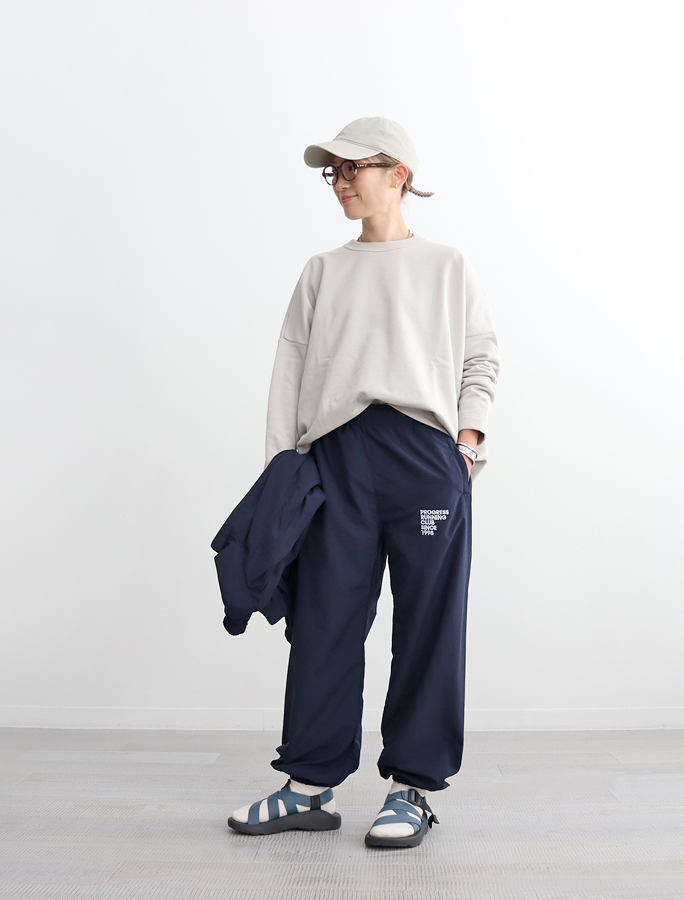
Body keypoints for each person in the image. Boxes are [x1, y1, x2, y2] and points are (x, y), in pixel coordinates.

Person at [227, 116, 501, 848]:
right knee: (324, 620)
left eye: (354, 168)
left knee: (428, 623)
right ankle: (308, 785)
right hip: (336, 459)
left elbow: (481, 358)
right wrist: (282, 474)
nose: (341, 182)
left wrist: (466, 446)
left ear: (398, 174)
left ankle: (412, 788)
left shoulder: (447, 265)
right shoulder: (323, 270)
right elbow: (289, 375)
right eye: (334, 172)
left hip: (424, 460)